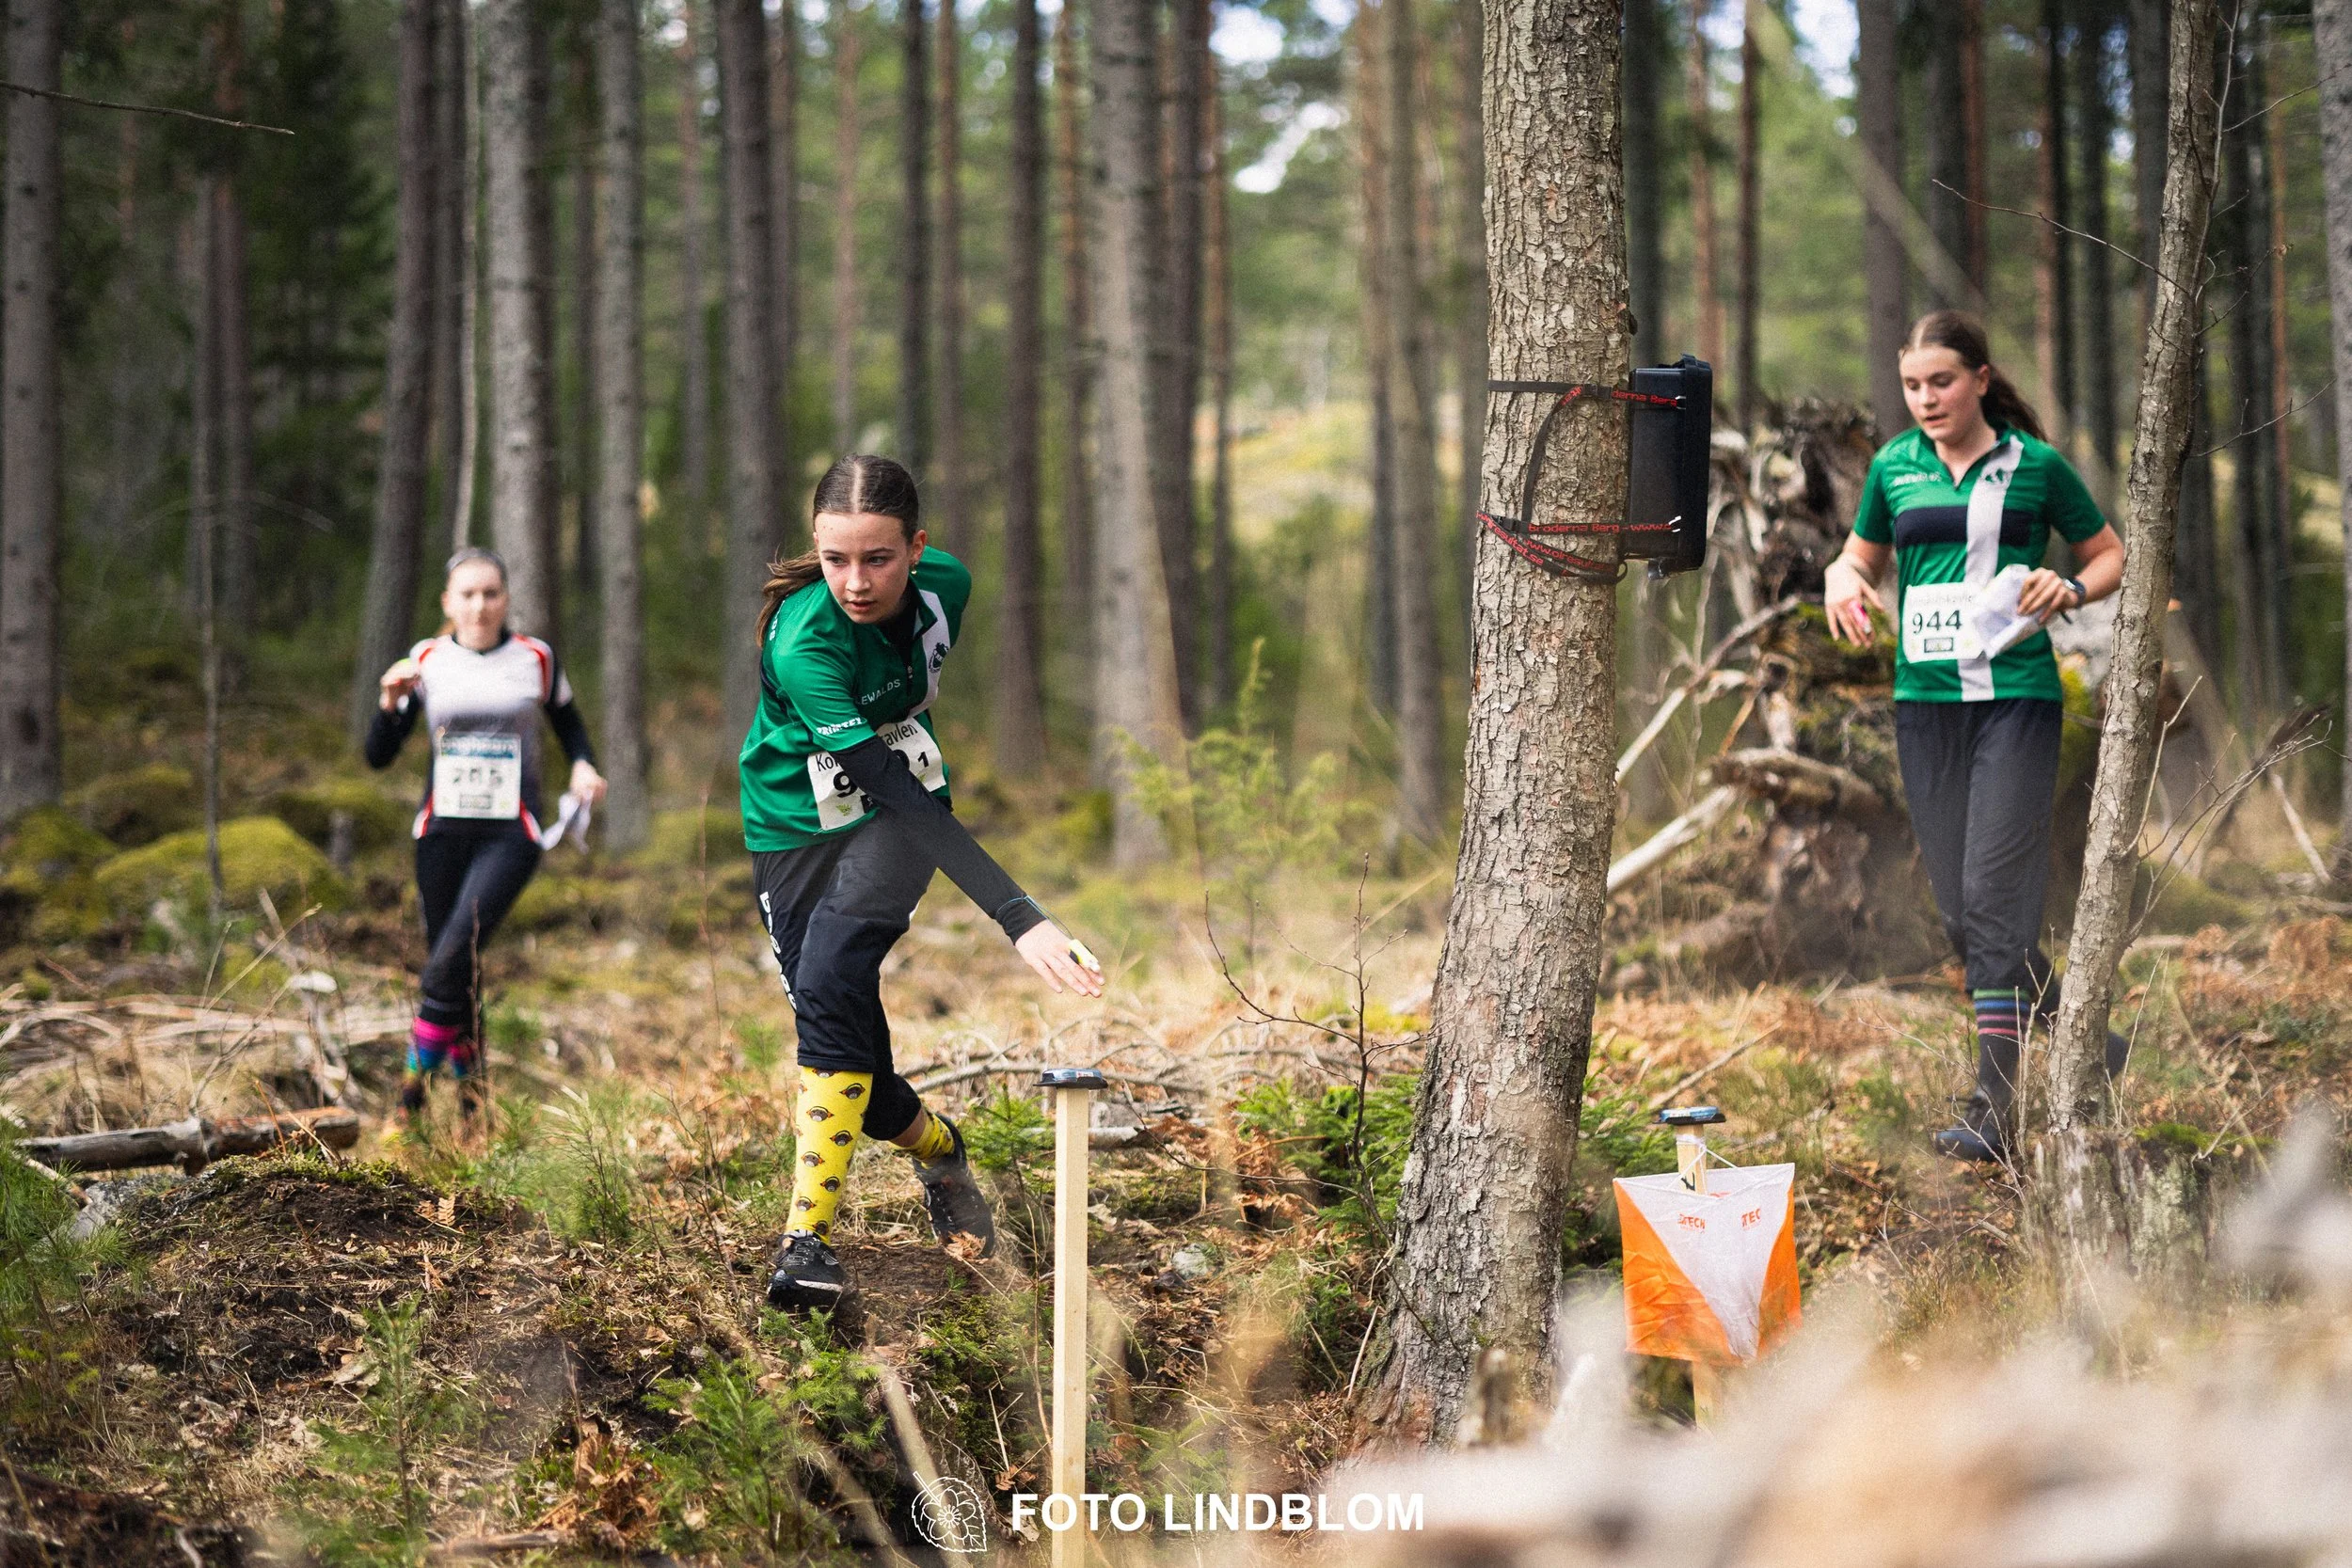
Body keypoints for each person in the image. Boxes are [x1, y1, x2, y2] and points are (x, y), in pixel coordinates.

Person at [741, 454, 1104, 1309]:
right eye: (835, 560)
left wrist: (1021, 917)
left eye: (878, 559)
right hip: (793, 826)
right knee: (854, 1067)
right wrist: (1022, 915)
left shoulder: (950, 584)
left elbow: (903, 803)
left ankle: (804, 1246)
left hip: (899, 817)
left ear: (918, 548)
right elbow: (878, 774)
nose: (856, 583)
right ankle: (942, 1147)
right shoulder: (803, 644)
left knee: (829, 987)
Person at [1821, 311, 2128, 1163]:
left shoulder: (2036, 467)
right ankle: (2091, 1043)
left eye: (1942, 382)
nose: (1926, 399)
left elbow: (2111, 555)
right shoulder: (1895, 467)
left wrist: (2064, 586)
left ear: (1982, 379)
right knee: (1961, 909)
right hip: (1926, 706)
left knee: (1995, 897)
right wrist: (1839, 583)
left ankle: (1994, 1105)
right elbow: (1858, 561)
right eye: (1914, 385)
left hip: (2016, 701)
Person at [366, 547, 606, 1132]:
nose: (480, 605)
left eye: (491, 593)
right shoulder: (426, 660)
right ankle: (477, 1111)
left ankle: (407, 1107)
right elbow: (378, 756)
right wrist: (390, 702)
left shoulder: (535, 659)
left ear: (505, 598)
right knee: (459, 971)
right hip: (440, 834)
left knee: (447, 963)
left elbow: (569, 724)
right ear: (448, 603)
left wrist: (582, 765)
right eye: (468, 594)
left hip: (511, 835)